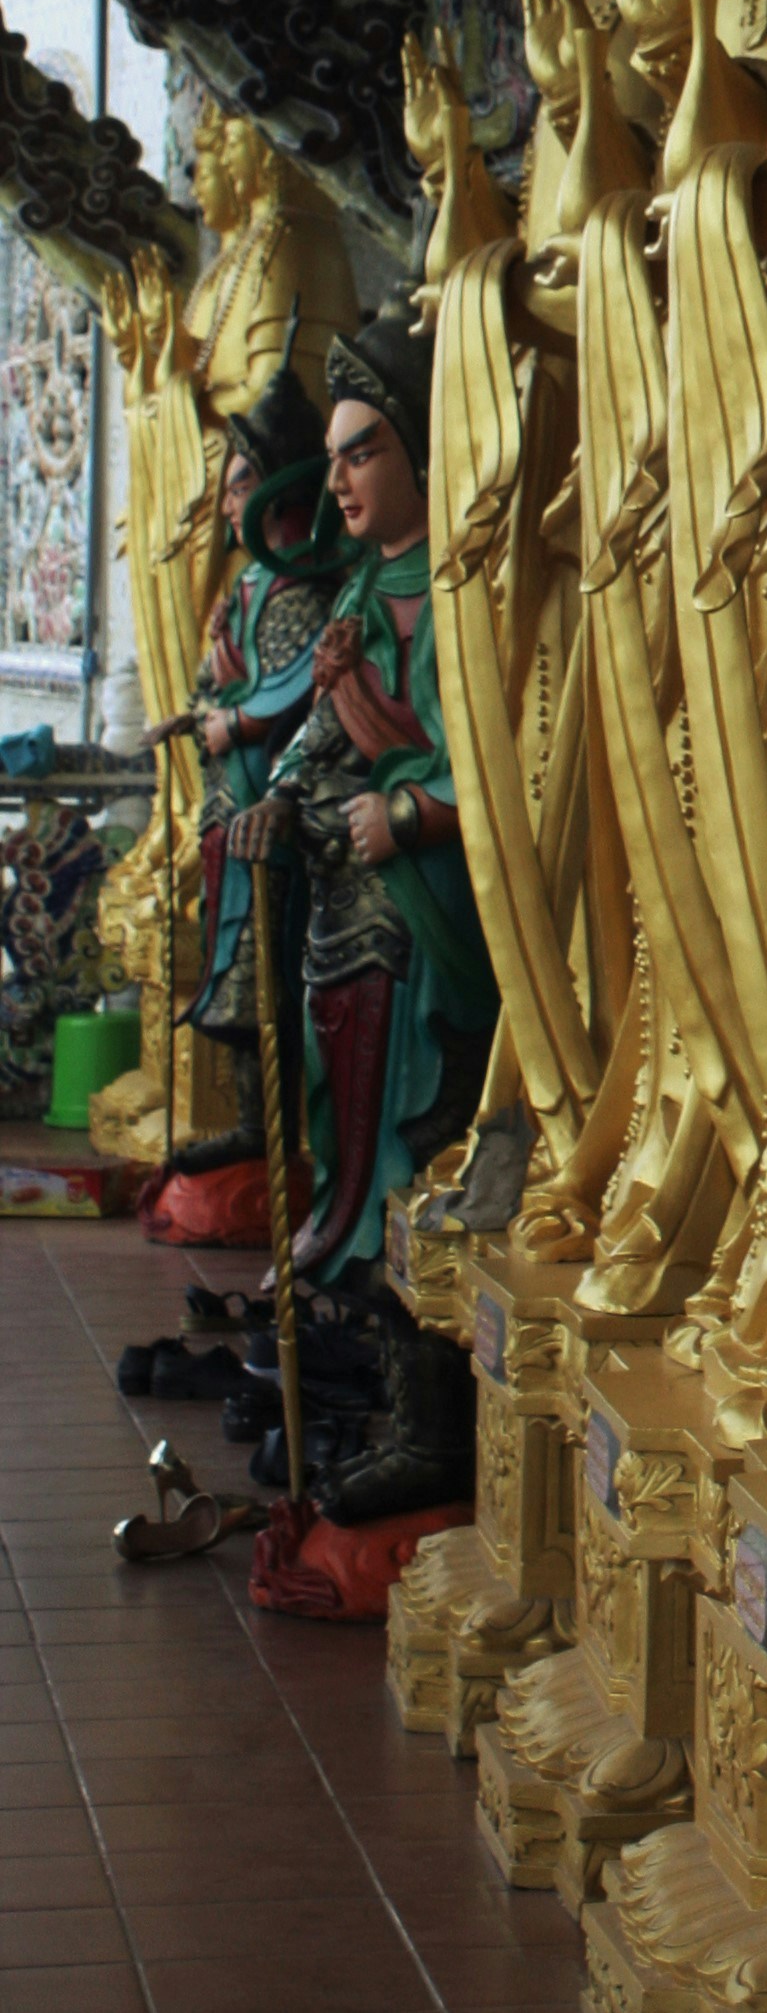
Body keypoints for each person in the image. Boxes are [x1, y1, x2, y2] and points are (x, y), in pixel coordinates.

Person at [233, 303, 499, 1521]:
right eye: (333, 456)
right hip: (345, 929)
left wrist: (417, 813)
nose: (339, 477)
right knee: (350, 1155)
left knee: (419, 1154)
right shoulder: (351, 598)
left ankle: (440, 1426)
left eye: (362, 451)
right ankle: (396, 1405)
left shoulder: (464, 593)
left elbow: (503, 759)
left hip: (432, 930)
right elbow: (305, 742)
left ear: (418, 455)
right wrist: (280, 807)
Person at [164, 346, 342, 1176]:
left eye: (239, 483)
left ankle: (280, 1129)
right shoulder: (245, 590)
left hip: (277, 796)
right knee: (233, 969)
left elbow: (294, 685)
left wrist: (230, 721)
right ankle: (248, 1119)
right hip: (228, 803)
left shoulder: (307, 587)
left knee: (268, 971)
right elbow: (218, 680)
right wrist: (202, 711)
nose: (226, 499)